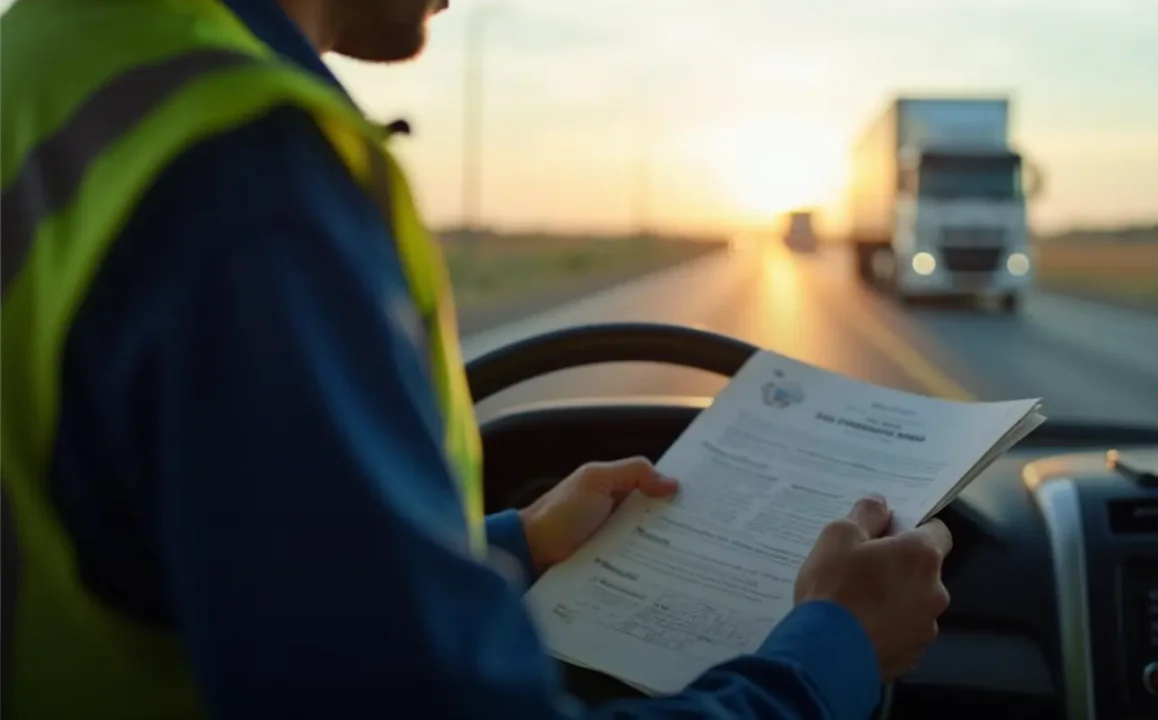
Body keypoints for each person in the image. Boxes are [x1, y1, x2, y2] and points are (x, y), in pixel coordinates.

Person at [0, 1, 955, 719]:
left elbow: (157, 540)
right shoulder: (247, 178)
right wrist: (831, 653)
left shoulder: (52, 61)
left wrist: (513, 545)